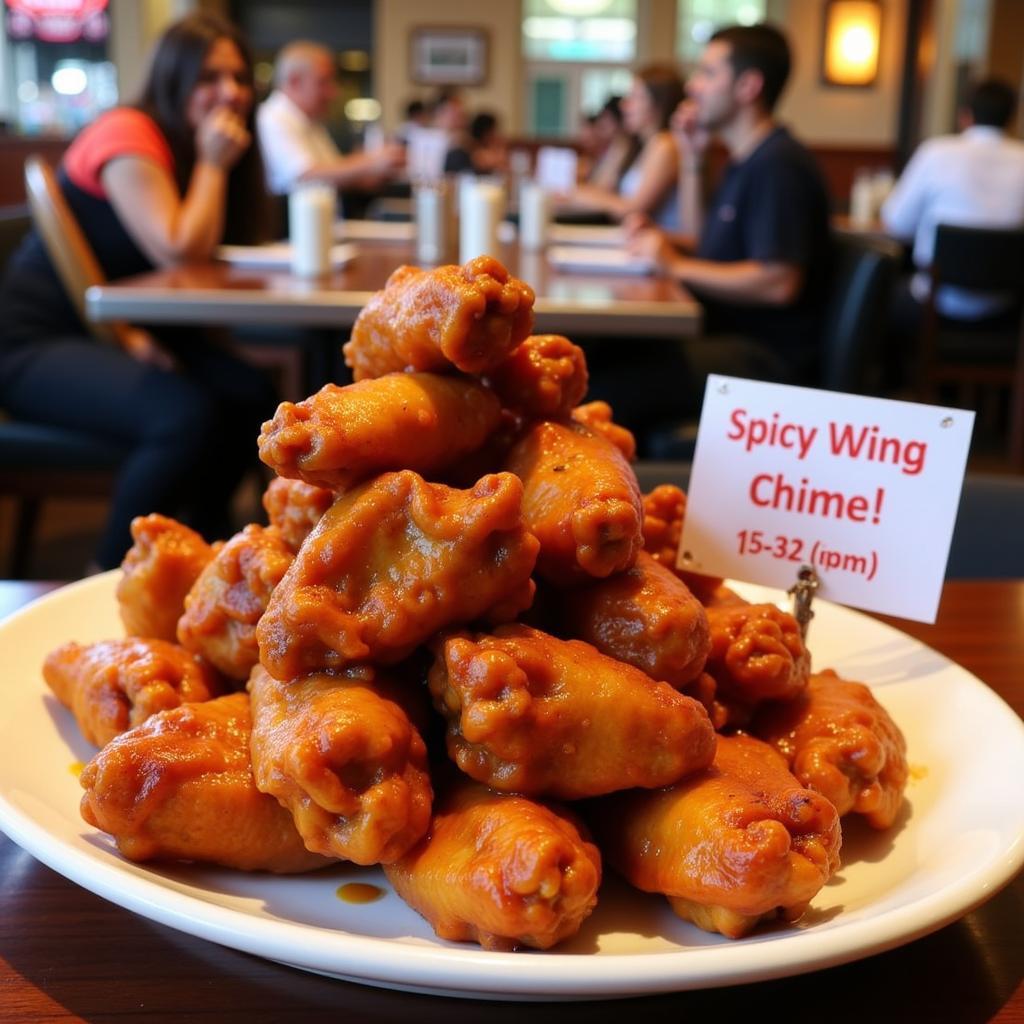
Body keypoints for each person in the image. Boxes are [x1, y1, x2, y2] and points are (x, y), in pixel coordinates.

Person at [0, 12, 278, 571]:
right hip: (38, 343)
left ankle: (204, 554)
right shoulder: (127, 132)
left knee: (250, 395)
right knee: (182, 415)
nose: (229, 93)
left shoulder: (192, 144)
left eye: (239, 78)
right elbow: (179, 249)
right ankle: (112, 578)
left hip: (121, 333)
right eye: (208, 78)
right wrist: (212, 164)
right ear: (172, 78)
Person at [586, 24, 832, 440]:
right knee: (590, 354)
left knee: (602, 390)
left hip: (761, 357)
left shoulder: (778, 165)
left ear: (748, 86)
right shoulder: (745, 158)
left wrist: (673, 263)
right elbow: (711, 243)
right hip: (723, 333)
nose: (694, 88)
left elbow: (778, 282)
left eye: (708, 73)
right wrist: (692, 159)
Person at [882, 77, 1024, 324]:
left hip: (934, 303)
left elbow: (895, 224)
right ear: (1011, 118)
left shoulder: (936, 152)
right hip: (1007, 306)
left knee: (878, 295)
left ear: (965, 116)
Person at [257, 41, 403, 196]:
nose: (333, 92)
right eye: (323, 82)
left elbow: (334, 174)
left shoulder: (310, 121)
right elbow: (304, 175)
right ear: (294, 81)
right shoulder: (272, 118)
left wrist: (379, 171)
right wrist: (371, 161)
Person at [561, 65, 683, 228]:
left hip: (658, 246)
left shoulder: (665, 144)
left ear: (658, 104)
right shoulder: (642, 145)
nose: (625, 105)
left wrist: (575, 194)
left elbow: (635, 209)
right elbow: (606, 190)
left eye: (635, 97)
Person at [584, 96, 639, 193]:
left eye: (607, 117)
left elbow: (604, 187)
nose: (601, 122)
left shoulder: (624, 147)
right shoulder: (613, 147)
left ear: (620, 120)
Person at [443, 111, 508, 176]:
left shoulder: (490, 146)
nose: (495, 134)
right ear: (486, 132)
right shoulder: (466, 146)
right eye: (493, 131)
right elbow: (483, 161)